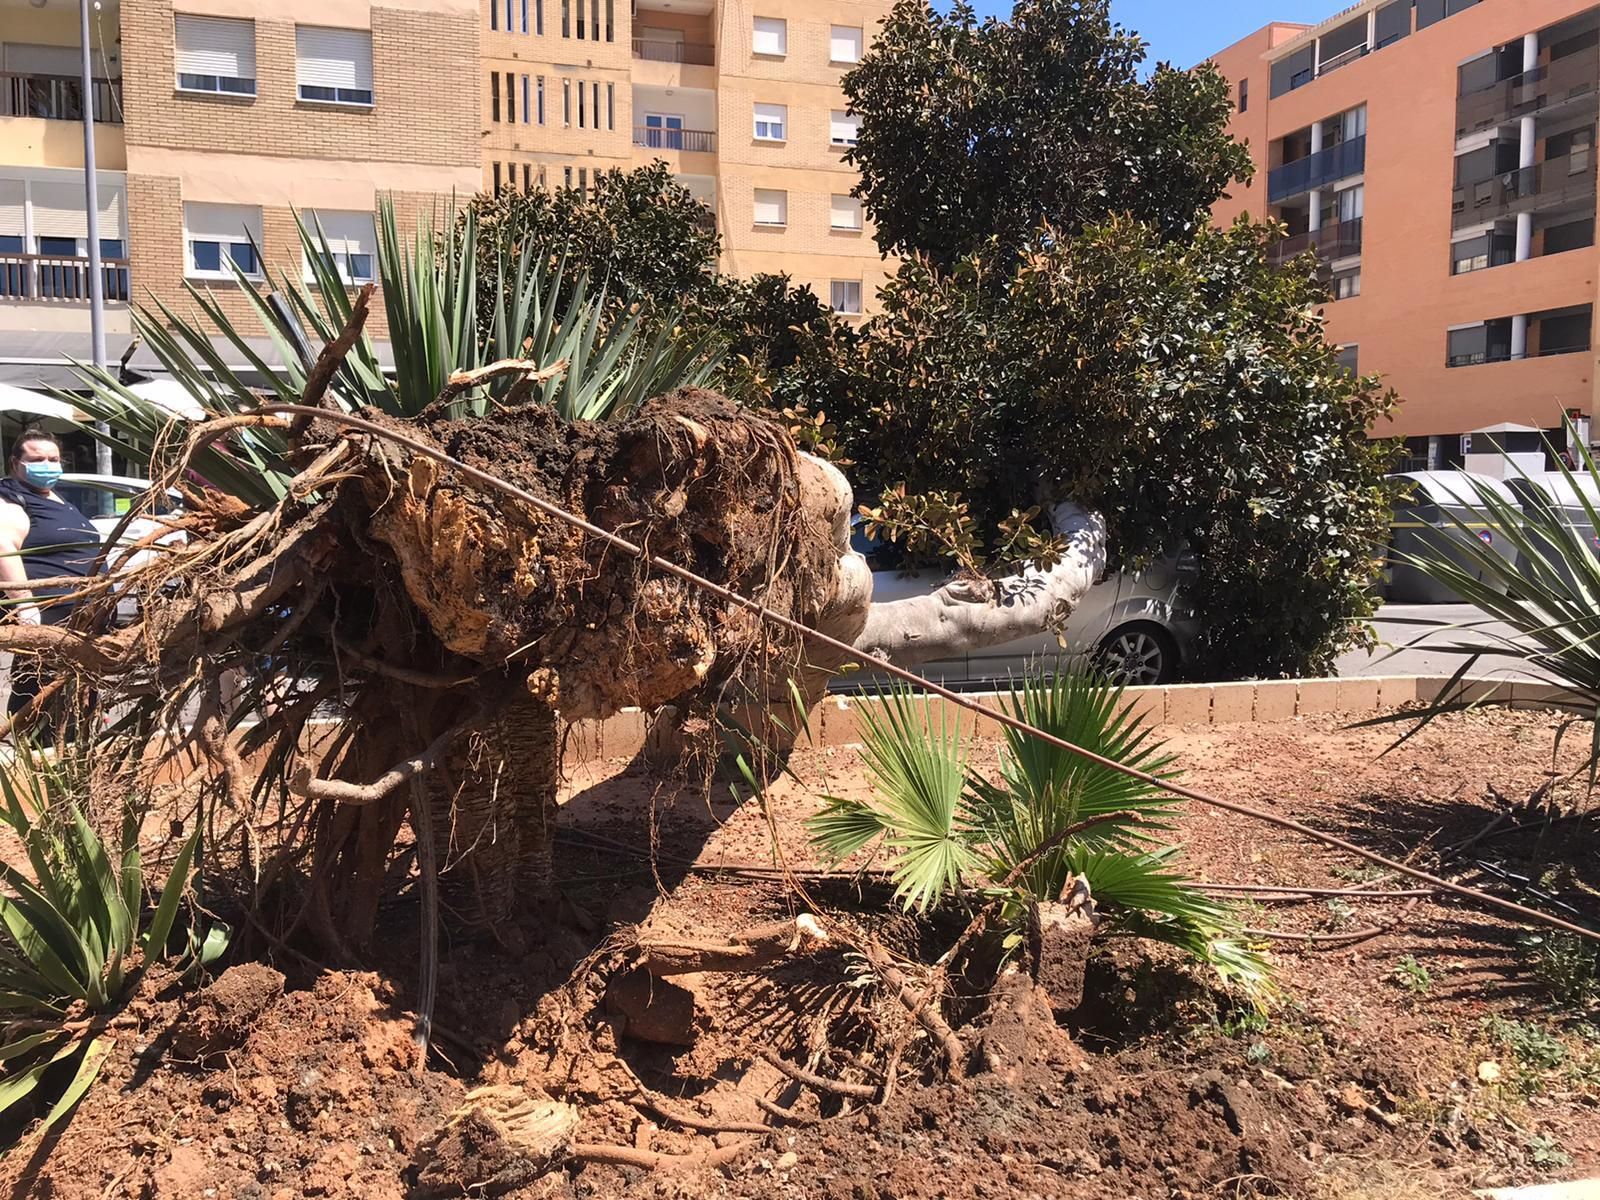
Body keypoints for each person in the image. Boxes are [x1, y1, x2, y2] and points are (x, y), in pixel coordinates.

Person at [0, 429, 103, 716]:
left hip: (82, 619)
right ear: (15, 463)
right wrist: (25, 604)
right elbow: (3, 546)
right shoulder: (11, 498)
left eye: (53, 458)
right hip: (48, 619)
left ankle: (75, 752)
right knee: (40, 694)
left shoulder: (55, 498)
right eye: (37, 459)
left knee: (77, 694)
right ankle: (34, 752)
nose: (47, 464)